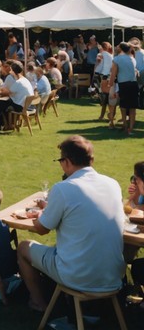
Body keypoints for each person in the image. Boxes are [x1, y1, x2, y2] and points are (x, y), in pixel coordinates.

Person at [16, 135, 125, 311]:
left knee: (23, 247)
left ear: (66, 162)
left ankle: (38, 302)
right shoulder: (112, 184)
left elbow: (42, 229)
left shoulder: (63, 188)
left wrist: (40, 214)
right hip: (113, 276)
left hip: (78, 276)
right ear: (92, 160)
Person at [110, 41, 138, 136]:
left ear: (120, 49)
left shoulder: (117, 59)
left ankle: (125, 126)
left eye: (118, 46)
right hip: (134, 84)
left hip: (124, 84)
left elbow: (113, 73)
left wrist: (110, 84)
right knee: (132, 107)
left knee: (123, 106)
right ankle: (131, 128)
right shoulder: (132, 58)